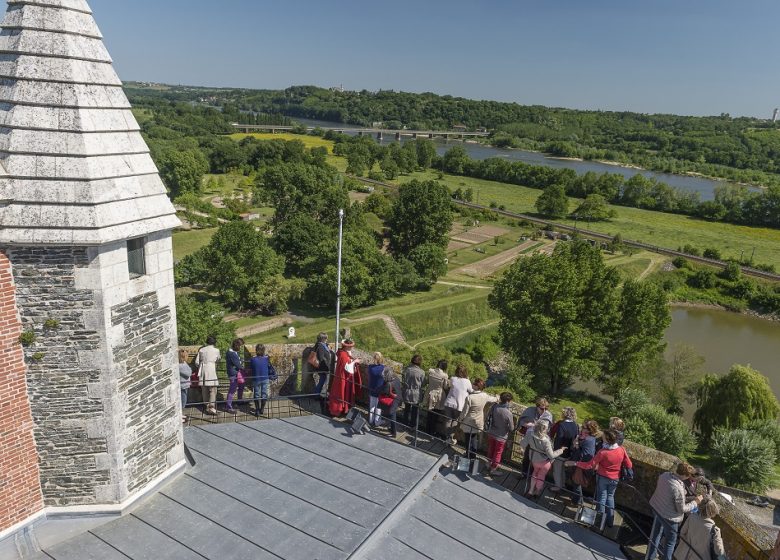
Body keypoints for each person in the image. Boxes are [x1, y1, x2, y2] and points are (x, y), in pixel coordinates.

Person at [567, 429, 632, 529]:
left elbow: (589, 465)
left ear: (607, 439)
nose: (602, 437)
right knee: (610, 497)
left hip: (603, 478)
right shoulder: (621, 449)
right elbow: (629, 464)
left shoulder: (603, 452)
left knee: (601, 499)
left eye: (604, 436)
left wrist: (575, 463)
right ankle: (610, 522)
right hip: (615, 478)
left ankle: (598, 522)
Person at [646, 462, 704, 560]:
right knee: (670, 542)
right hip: (670, 518)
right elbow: (682, 509)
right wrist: (696, 502)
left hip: (657, 509)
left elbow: (665, 491)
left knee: (655, 536)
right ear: (685, 475)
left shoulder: (664, 475)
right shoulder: (678, 488)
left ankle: (649, 557)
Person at [521, 419, 565, 497]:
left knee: (535, 473)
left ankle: (530, 491)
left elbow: (523, 444)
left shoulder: (530, 434)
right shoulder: (546, 441)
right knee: (541, 476)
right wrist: (561, 450)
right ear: (544, 429)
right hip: (545, 462)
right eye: (547, 428)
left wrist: (522, 440)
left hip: (534, 459)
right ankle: (537, 491)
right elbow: (551, 455)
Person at [458, 379, 498, 459]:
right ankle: (473, 455)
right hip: (478, 420)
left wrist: (460, 419)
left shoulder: (470, 397)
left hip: (469, 420)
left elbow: (465, 412)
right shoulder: (485, 395)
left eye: (473, 384)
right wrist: (497, 397)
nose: (472, 384)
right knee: (474, 438)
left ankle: (468, 455)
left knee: (468, 439)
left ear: (476, 386)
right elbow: (493, 399)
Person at [517, 397, 554, 476]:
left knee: (536, 460)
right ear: (537, 406)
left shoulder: (548, 415)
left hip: (539, 441)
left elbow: (545, 428)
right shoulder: (530, 410)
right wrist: (526, 424)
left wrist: (533, 425)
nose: (544, 410)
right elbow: (521, 421)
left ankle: (532, 475)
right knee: (526, 457)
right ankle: (524, 473)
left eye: (545, 408)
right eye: (541, 408)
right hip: (530, 439)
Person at [328, 339, 362, 417]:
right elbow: (347, 368)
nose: (351, 348)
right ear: (347, 347)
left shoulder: (342, 352)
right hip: (344, 378)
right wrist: (355, 361)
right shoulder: (343, 355)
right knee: (342, 393)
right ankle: (341, 409)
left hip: (341, 377)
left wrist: (352, 360)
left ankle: (344, 407)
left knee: (342, 393)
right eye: (350, 347)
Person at [570, 420, 600, 504]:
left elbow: (585, 456)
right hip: (578, 464)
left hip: (581, 466)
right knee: (575, 482)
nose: (581, 428)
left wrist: (576, 446)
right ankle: (576, 500)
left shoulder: (589, 440)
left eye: (584, 427)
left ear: (589, 430)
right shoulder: (584, 437)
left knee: (577, 483)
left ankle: (577, 502)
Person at [442, 365, 473, 445]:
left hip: (449, 403)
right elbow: (471, 390)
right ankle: (451, 439)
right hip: (459, 405)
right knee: (455, 421)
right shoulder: (467, 381)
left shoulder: (452, 378)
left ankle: (447, 438)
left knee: (448, 421)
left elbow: (448, 386)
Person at [486, 392, 515, 475]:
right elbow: (511, 428)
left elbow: (488, 416)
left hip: (491, 432)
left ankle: (488, 463)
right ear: (508, 401)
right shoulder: (508, 413)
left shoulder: (494, 406)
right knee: (498, 453)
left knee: (491, 448)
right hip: (501, 436)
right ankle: (493, 469)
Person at [551, 407, 579, 492]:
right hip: (569, 451)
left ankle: (557, 487)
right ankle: (562, 485)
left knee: (557, 470)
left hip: (561, 451)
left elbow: (559, 439)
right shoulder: (575, 425)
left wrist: (555, 451)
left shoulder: (562, 425)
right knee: (563, 470)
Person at [424, 359, 450, 438]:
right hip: (439, 395)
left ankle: (427, 430)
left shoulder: (431, 371)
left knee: (429, 413)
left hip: (430, 393)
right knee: (436, 414)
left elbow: (428, 381)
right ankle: (432, 432)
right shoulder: (444, 375)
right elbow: (445, 387)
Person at [195, 335, 220, 416]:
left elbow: (196, 362)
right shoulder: (216, 350)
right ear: (214, 343)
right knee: (213, 389)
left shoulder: (201, 350)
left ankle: (206, 406)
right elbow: (218, 359)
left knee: (204, 389)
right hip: (211, 369)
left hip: (203, 370)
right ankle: (211, 407)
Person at [402, 355, 425, 430]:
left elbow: (403, 380)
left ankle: (404, 424)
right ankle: (412, 426)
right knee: (414, 411)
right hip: (416, 393)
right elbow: (423, 383)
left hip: (407, 391)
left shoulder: (406, 369)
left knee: (406, 409)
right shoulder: (422, 372)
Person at [311, 333, 333, 410]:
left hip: (323, 367)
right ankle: (317, 396)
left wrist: (327, 345)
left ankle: (318, 395)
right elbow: (321, 358)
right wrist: (327, 364)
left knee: (322, 381)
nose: (327, 340)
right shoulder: (320, 346)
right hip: (322, 368)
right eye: (326, 338)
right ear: (323, 339)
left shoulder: (321, 344)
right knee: (322, 381)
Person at [367, 352, 390, 426]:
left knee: (372, 406)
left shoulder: (370, 367)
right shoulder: (383, 368)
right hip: (380, 389)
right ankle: (377, 421)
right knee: (378, 407)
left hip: (372, 388)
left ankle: (370, 420)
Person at [249, 344, 270, 417]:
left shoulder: (252, 359)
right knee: (264, 394)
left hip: (256, 378)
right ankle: (262, 409)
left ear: (256, 350)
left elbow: (251, 368)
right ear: (263, 350)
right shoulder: (267, 358)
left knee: (256, 394)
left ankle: (257, 410)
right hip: (265, 378)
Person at [381, 367, 403, 438]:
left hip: (394, 401)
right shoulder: (396, 378)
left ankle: (393, 433)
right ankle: (392, 430)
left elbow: (384, 392)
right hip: (399, 398)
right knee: (392, 414)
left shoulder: (389, 383)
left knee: (392, 415)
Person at [225, 338, 244, 414]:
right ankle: (228, 407)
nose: (241, 348)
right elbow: (238, 365)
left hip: (233, 372)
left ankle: (238, 401)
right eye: (241, 346)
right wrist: (244, 368)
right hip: (233, 374)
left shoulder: (230, 351)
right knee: (232, 390)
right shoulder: (232, 354)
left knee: (239, 386)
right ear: (237, 345)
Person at [178, 349, 191, 424]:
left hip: (185, 384)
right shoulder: (180, 365)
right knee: (183, 401)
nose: (187, 357)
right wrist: (190, 369)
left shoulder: (183, 363)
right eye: (186, 356)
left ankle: (181, 415)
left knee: (183, 401)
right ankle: (180, 417)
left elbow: (189, 370)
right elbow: (189, 373)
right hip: (183, 385)